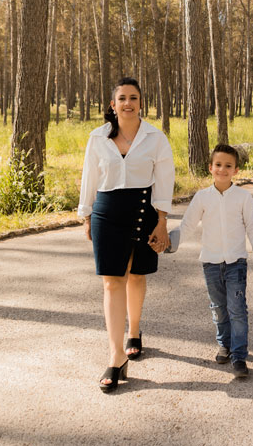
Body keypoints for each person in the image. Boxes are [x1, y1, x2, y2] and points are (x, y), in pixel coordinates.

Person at [78, 77, 174, 393]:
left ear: (141, 102)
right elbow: (89, 176)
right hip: (106, 210)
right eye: (122, 98)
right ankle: (116, 355)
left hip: (142, 210)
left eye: (134, 97)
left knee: (135, 276)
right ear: (113, 104)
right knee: (111, 280)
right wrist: (87, 214)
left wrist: (161, 221)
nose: (128, 103)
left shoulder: (155, 138)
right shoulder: (98, 137)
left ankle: (135, 331)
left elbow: (164, 180)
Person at [178, 143, 253, 379]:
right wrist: (170, 242)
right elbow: (187, 224)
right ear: (210, 168)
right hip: (211, 263)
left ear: (236, 170)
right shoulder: (202, 197)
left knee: (237, 310)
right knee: (218, 308)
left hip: (236, 263)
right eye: (218, 165)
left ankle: (239, 356)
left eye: (228, 166)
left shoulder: (243, 197)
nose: (222, 169)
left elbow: (252, 226)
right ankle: (224, 345)